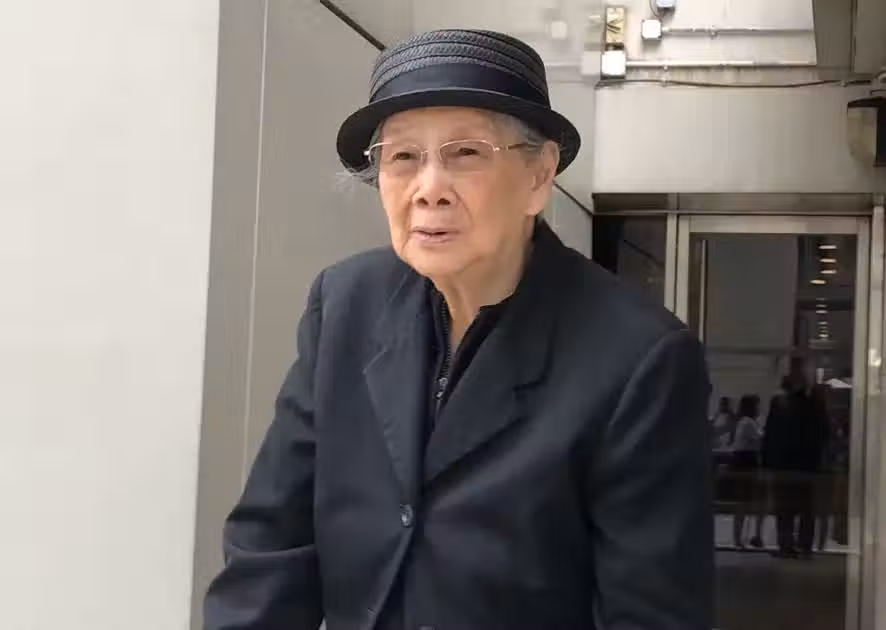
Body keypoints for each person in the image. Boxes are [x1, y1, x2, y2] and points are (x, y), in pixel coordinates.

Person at [203, 29, 713, 630]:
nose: (429, 191)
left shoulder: (638, 358)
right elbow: (270, 550)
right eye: (402, 158)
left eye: (466, 153)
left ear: (539, 175)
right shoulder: (345, 305)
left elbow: (650, 615)